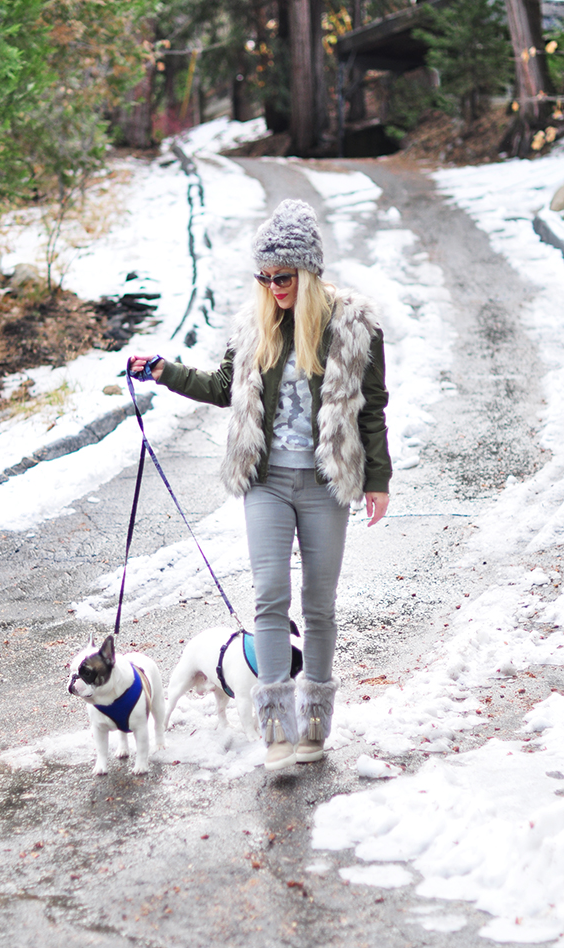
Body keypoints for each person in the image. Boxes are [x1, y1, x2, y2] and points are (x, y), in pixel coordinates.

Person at [130, 199, 391, 772]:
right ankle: (276, 729)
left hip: (326, 482)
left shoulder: (352, 327)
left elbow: (371, 409)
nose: (273, 286)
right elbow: (223, 386)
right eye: (264, 276)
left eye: (283, 276)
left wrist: (378, 479)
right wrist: (164, 371)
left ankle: (316, 720)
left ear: (308, 272)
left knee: (318, 607)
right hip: (267, 482)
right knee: (269, 598)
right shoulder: (254, 328)